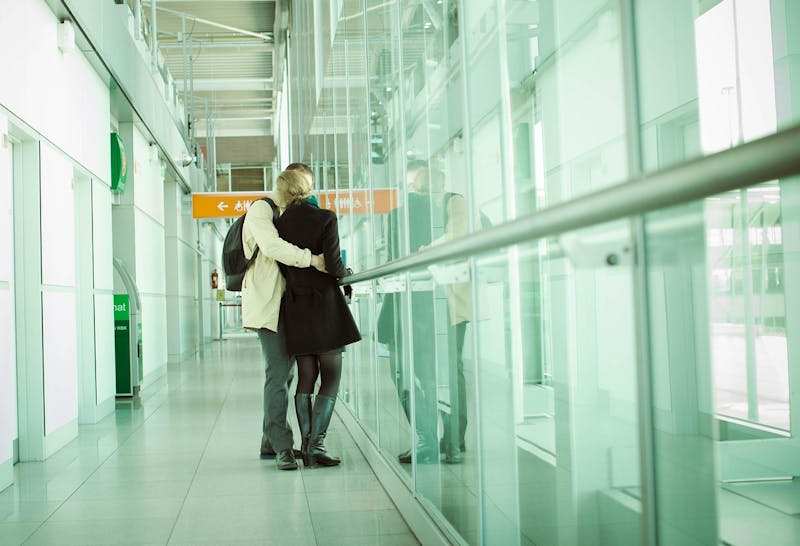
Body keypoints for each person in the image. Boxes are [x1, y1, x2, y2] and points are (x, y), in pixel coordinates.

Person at [273, 168, 361, 467]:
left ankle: (307, 443)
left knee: (306, 376)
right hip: (324, 304)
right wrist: (345, 274)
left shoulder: (279, 224)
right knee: (332, 374)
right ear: (306, 189)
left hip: (296, 305)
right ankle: (316, 446)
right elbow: (334, 264)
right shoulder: (326, 217)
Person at [241, 185, 326, 471]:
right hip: (268, 305)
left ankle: (269, 439)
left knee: (287, 373)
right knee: (277, 373)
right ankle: (282, 446)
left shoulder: (294, 214)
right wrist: (312, 259)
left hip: (291, 307)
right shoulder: (262, 209)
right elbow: (272, 247)